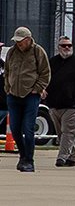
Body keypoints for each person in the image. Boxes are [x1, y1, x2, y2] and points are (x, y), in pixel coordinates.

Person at [4, 26, 50, 173]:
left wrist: (37, 89)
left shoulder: (38, 51)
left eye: (21, 41)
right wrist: (7, 88)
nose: (18, 44)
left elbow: (45, 73)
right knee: (15, 129)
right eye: (16, 41)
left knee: (28, 128)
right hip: (13, 95)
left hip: (31, 96)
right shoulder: (12, 52)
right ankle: (23, 156)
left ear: (28, 39)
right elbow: (7, 71)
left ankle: (29, 160)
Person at [47, 34, 75, 167]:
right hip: (54, 104)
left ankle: (61, 157)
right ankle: (72, 158)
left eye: (69, 45)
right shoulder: (52, 62)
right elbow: (45, 78)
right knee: (61, 133)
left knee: (68, 131)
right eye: (64, 45)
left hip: (73, 105)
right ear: (58, 47)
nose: (67, 48)